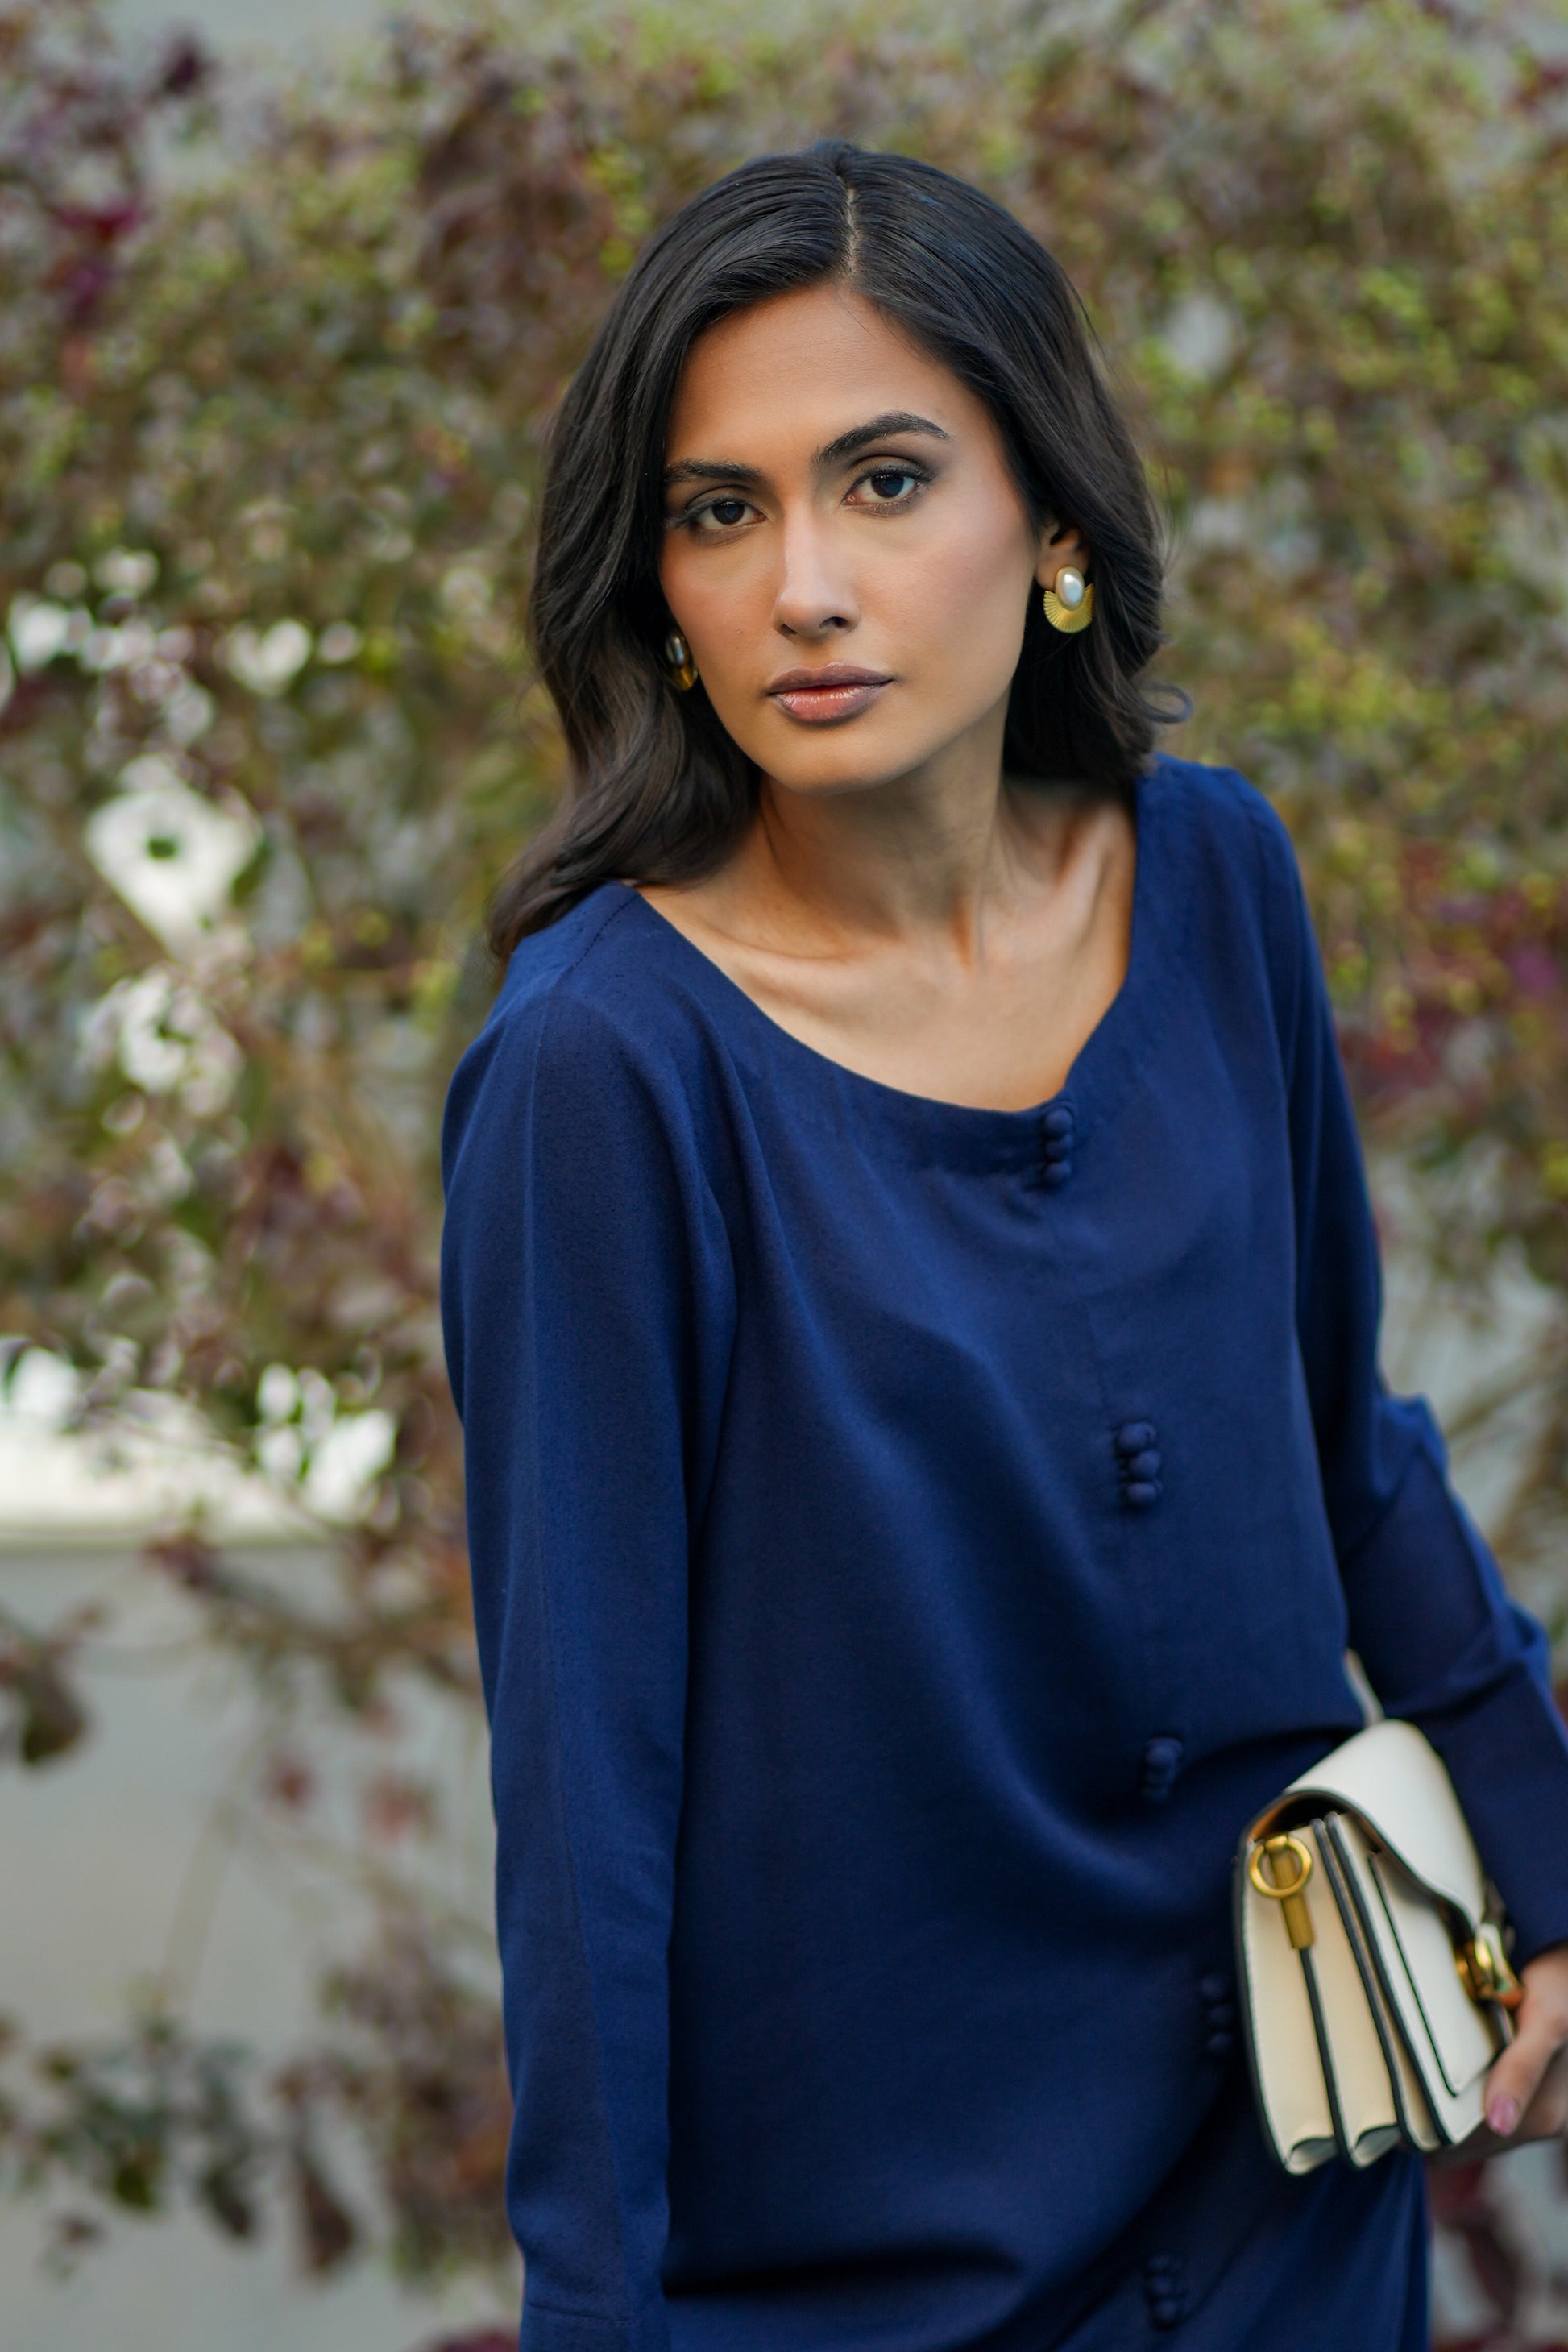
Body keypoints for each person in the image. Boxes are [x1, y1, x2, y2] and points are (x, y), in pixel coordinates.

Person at [439, 143, 1568, 2352]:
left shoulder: (1213, 879)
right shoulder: (602, 1070)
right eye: (718, 511)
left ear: (1050, 525)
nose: (801, 587)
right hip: (875, 2281)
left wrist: (1543, 1843)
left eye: (884, 482)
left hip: (1293, 2206)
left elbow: (1334, 1439)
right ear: (654, 584)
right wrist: (595, 2315)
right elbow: (586, 1792)